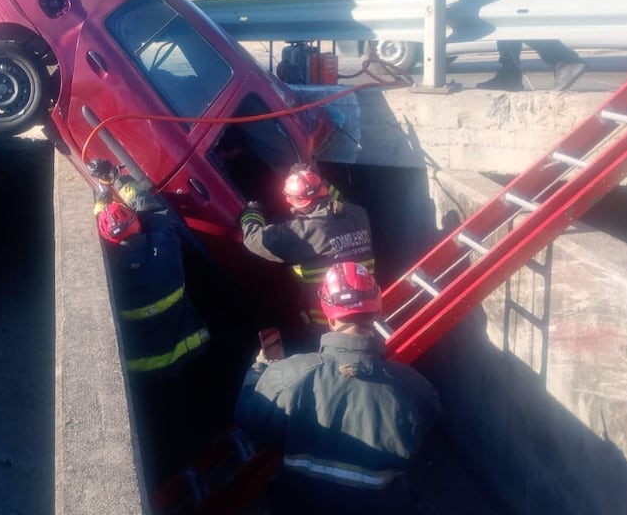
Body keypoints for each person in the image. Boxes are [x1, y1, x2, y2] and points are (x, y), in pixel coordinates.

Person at [234, 261, 442, 515]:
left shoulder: (287, 375)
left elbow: (250, 419)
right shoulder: (413, 387)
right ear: (376, 312)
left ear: (329, 316)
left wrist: (259, 371)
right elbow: (428, 423)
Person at [90, 159, 216, 487]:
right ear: (137, 226)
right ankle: (201, 458)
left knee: (160, 426)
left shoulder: (111, 278)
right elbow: (155, 210)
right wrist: (116, 178)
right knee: (195, 408)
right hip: (190, 351)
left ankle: (173, 476)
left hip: (145, 370)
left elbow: (105, 235)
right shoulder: (165, 252)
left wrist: (101, 203)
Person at [239, 163, 375, 347]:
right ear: (324, 190)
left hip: (327, 324)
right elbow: (339, 199)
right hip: (366, 312)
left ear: (292, 201)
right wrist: (315, 178)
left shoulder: (301, 233)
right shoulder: (358, 214)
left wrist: (253, 212)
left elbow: (254, 239)